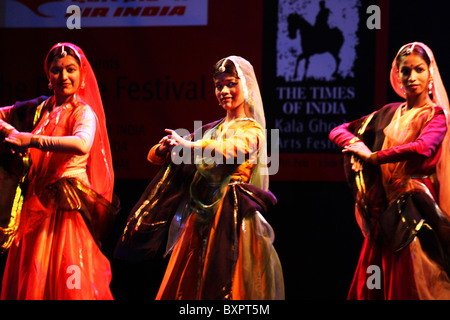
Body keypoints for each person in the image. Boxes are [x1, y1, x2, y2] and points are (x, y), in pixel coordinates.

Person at [116, 56, 284, 300]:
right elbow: (157, 156)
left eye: (231, 84)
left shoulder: (252, 130)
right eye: (218, 85)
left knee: (226, 281)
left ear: (245, 85)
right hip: (201, 214)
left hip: (232, 216)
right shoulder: (212, 128)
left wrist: (187, 144)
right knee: (191, 282)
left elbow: (231, 150)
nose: (224, 91)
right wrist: (163, 149)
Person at [329, 42, 450, 299]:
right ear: (398, 75)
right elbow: (338, 130)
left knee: (411, 282)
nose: (412, 77)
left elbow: (422, 148)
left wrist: (374, 157)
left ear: (430, 73)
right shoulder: (388, 113)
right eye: (405, 71)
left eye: (419, 69)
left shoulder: (436, 115)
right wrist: (356, 145)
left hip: (416, 213)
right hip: (385, 211)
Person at [1, 43, 118, 300]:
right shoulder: (40, 109)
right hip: (35, 206)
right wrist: (9, 131)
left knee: (68, 277)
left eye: (70, 69)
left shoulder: (82, 112)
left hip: (66, 209)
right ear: (48, 76)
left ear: (81, 74)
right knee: (33, 276)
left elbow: (82, 143)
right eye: (56, 70)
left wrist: (28, 140)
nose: (63, 77)